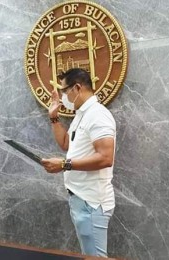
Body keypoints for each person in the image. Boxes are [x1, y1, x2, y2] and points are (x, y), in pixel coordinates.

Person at [41, 68, 116, 257]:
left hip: (91, 202)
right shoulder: (82, 114)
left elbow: (106, 157)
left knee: (95, 258)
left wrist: (64, 165)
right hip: (81, 199)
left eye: (65, 91)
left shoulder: (98, 114)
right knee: (89, 255)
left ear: (77, 87)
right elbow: (66, 143)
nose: (64, 96)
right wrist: (54, 117)